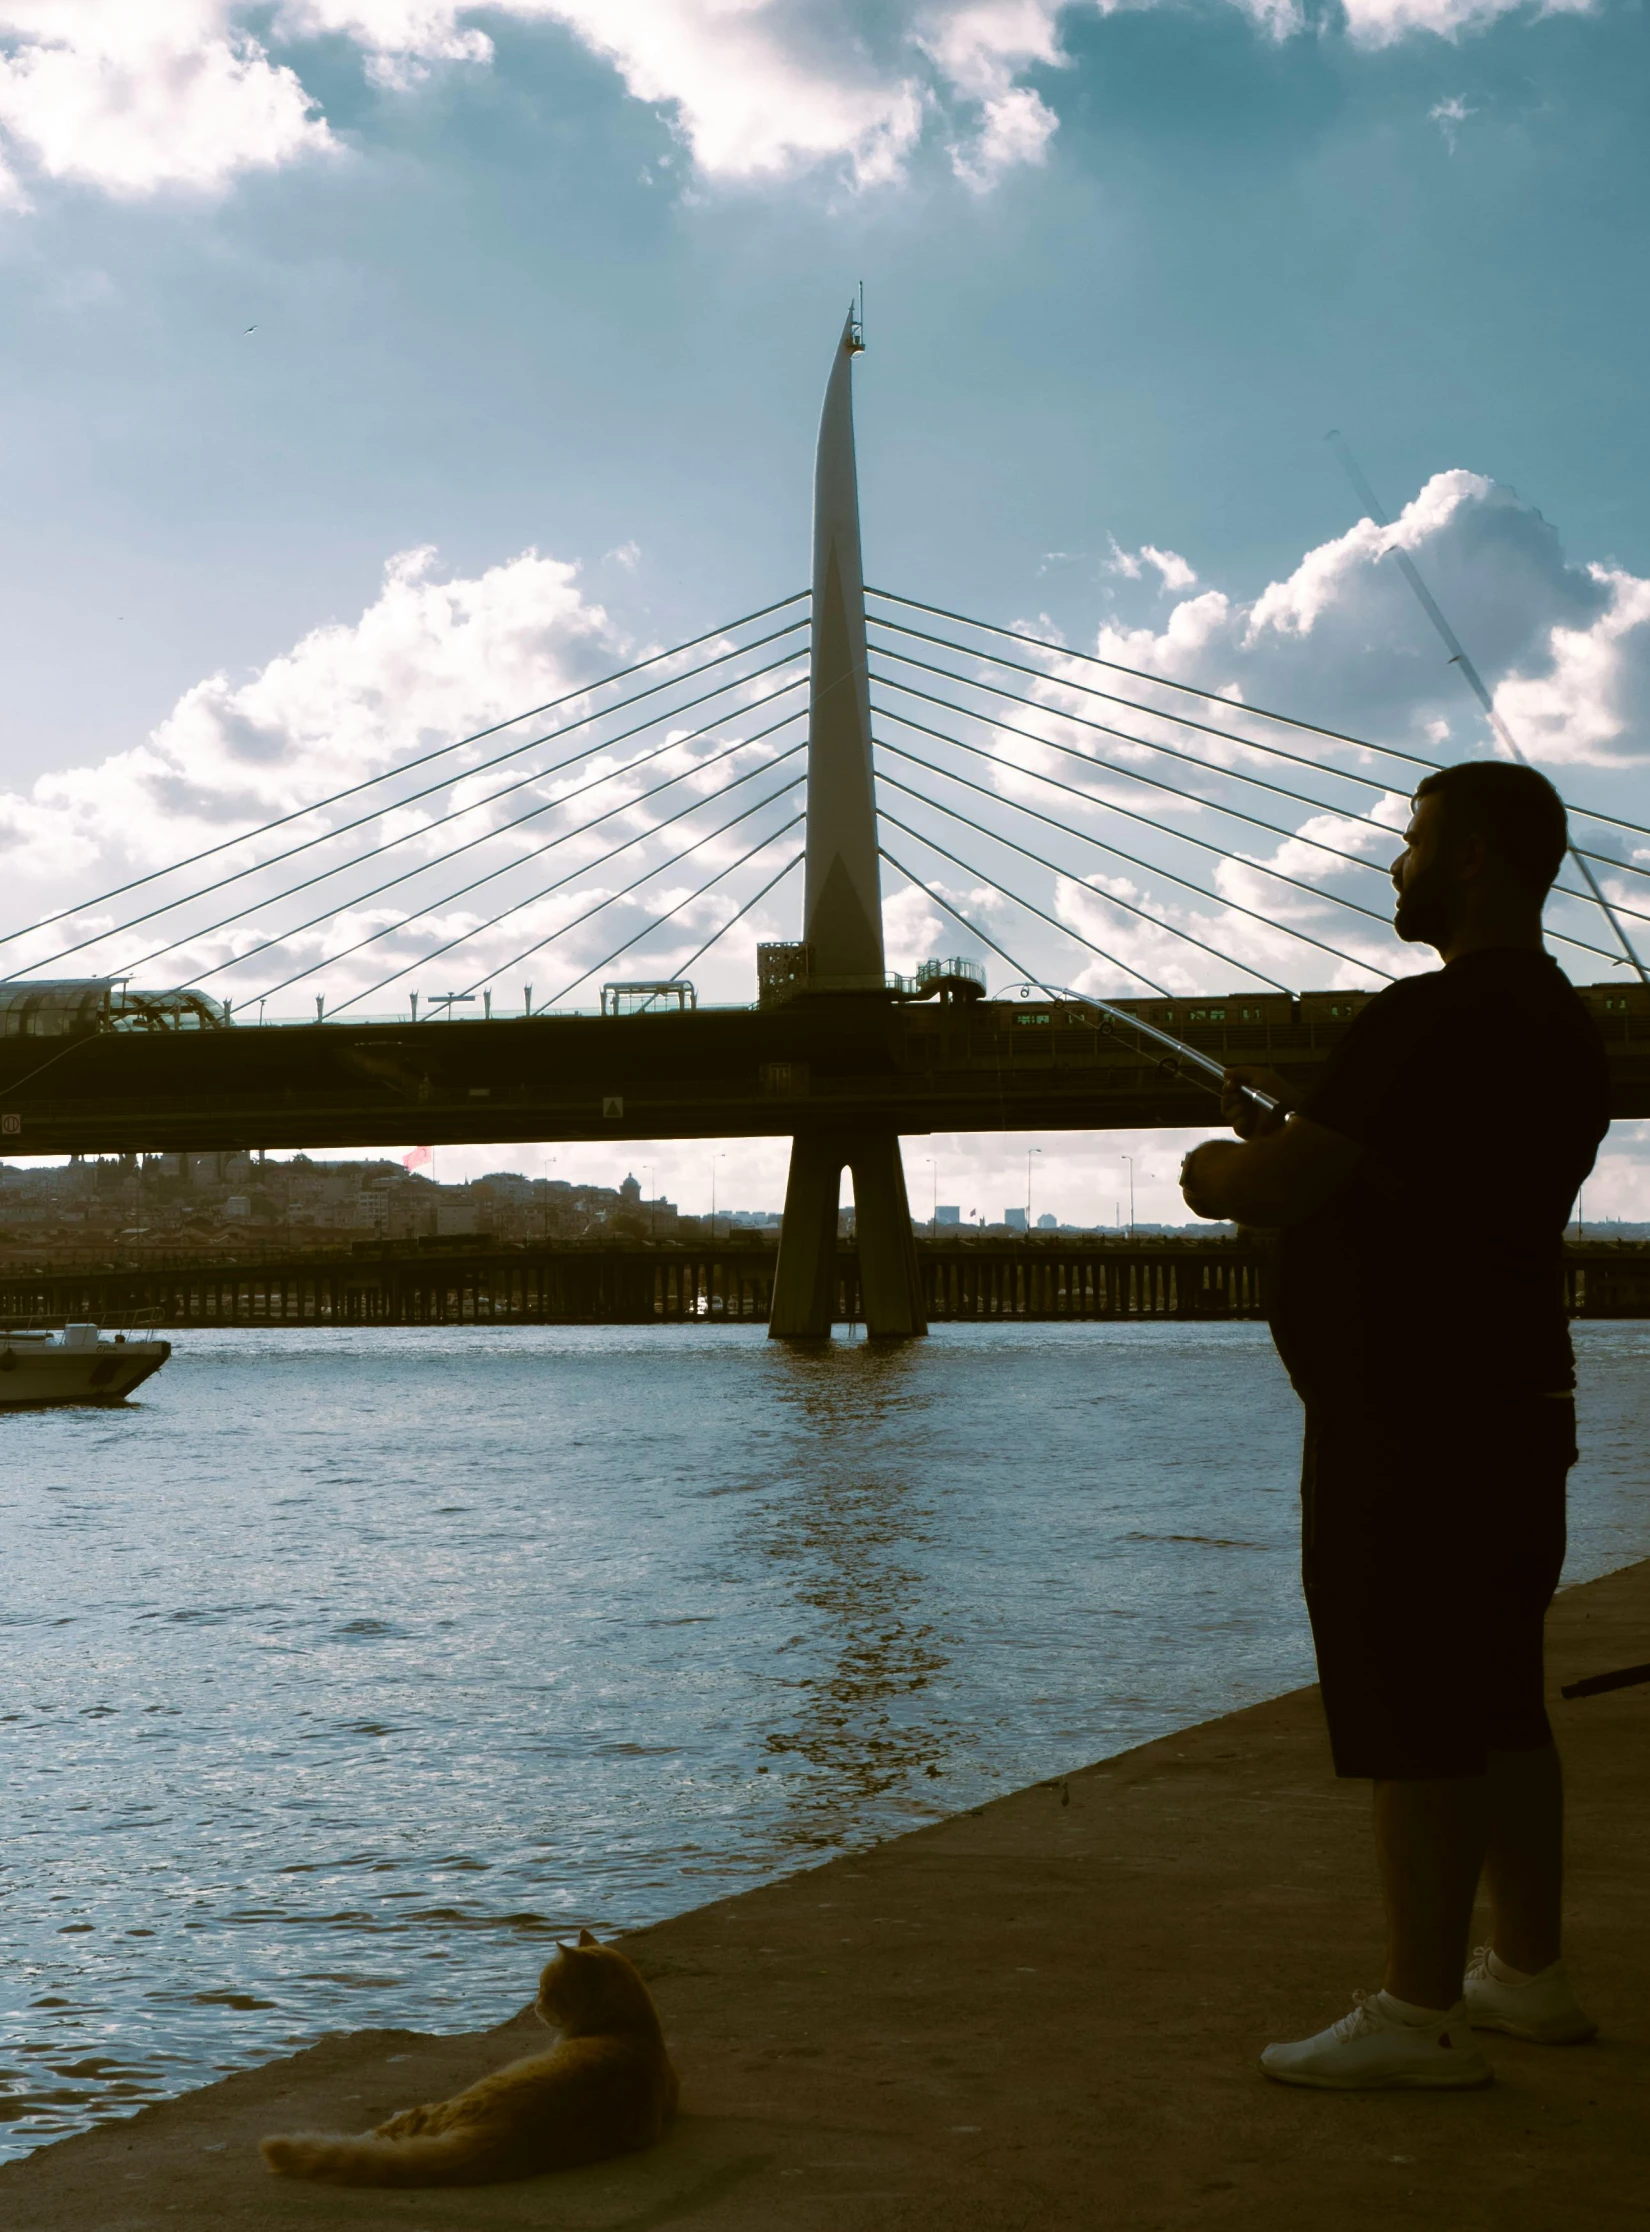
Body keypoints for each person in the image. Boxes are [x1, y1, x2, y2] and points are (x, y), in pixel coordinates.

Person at [1180, 760, 1609, 2091]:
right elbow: (1412, 1176)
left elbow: (1284, 1186)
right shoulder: (1557, 1022)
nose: (1393, 865)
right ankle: (1523, 1976)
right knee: (1493, 1693)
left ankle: (1418, 2010)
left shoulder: (1415, 1018)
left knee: (1412, 1702)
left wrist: (1215, 1170)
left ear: (1474, 857)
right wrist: (1302, 1127)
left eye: (1413, 842)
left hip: (1405, 1420)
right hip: (1514, 1402)